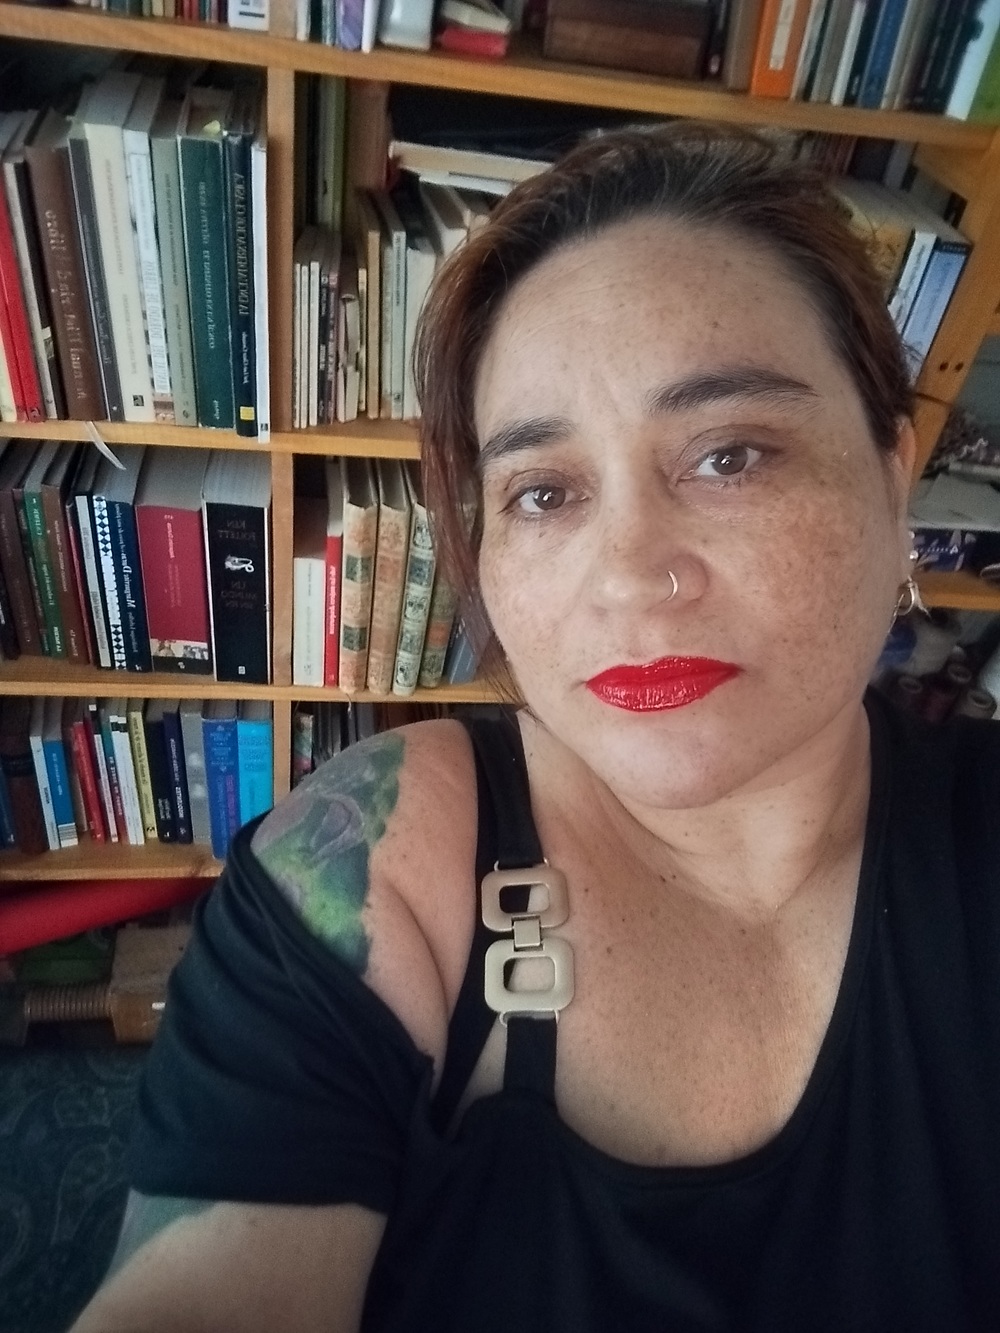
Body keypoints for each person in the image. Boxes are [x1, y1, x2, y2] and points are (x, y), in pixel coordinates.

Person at [73, 123, 1000, 1333]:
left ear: (890, 472)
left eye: (729, 455)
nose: (628, 574)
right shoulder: (369, 867)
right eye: (544, 491)